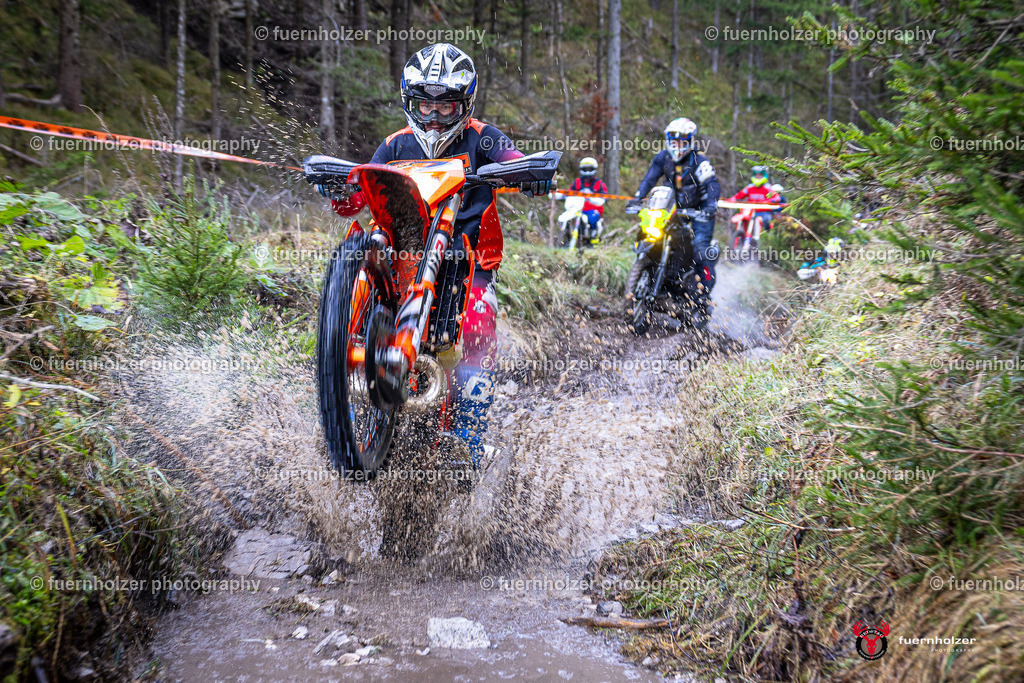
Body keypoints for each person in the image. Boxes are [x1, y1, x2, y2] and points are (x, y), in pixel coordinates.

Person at [315, 43, 550, 469]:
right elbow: (359, 197)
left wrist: (527, 172)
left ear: (465, 104)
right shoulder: (395, 145)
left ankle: (467, 441)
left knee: (477, 327)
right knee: (364, 256)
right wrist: (341, 189)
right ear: (411, 103)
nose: (435, 116)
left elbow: (513, 161)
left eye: (446, 107)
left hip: (467, 259)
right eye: (425, 105)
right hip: (402, 257)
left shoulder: (483, 137)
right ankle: (341, 389)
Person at [626, 117, 720, 292]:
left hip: (698, 210)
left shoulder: (699, 161)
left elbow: (712, 185)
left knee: (700, 249)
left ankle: (703, 292)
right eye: (674, 140)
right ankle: (656, 275)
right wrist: (638, 197)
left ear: (689, 140)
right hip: (672, 208)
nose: (678, 145)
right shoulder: (663, 157)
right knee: (651, 232)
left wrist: (711, 206)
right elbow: (649, 179)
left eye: (682, 141)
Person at [557, 157, 608, 244]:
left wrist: (592, 198)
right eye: (585, 169)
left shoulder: (599, 184)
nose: (587, 171)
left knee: (593, 218)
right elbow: (569, 193)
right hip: (577, 209)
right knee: (567, 219)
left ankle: (592, 238)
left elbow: (604, 197)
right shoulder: (577, 182)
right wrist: (560, 195)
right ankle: (567, 239)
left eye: (589, 169)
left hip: (592, 210)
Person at [727, 166, 777, 244]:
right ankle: (738, 240)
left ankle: (765, 241)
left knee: (766, 221)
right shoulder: (750, 187)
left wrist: (769, 201)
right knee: (742, 219)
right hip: (750, 211)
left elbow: (777, 197)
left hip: (763, 212)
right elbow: (739, 195)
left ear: (764, 175)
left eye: (760, 175)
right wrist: (733, 199)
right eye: (756, 175)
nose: (758, 176)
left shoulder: (768, 188)